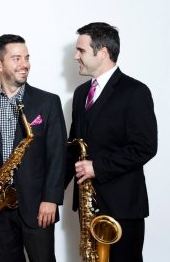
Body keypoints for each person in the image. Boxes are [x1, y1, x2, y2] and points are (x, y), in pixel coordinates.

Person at [0, 34, 67, 262]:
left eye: (27, 57)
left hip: (38, 206)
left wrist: (51, 199)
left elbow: (57, 155)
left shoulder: (48, 102)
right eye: (17, 58)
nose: (25, 64)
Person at [67, 22, 158, 262]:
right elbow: (73, 148)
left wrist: (97, 167)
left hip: (123, 207)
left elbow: (145, 147)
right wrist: (48, 196)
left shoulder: (136, 91)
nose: (76, 56)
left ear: (103, 52)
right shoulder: (80, 94)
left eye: (81, 51)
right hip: (89, 205)